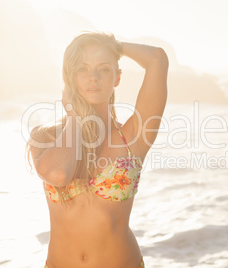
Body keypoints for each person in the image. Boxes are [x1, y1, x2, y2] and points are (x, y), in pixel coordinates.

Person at [26, 32, 168, 268]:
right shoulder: (45, 138)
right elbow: (58, 173)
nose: (93, 77)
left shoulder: (132, 138)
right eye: (82, 69)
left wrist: (111, 46)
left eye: (103, 69)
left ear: (117, 78)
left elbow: (157, 59)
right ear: (71, 78)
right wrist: (74, 116)